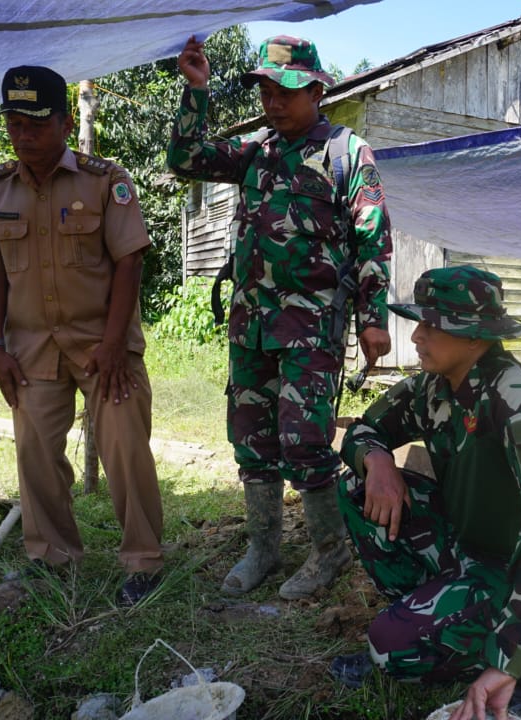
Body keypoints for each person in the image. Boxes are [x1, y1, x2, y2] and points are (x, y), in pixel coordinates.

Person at [167, 34, 393, 600]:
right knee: (252, 439)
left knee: (304, 440)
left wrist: (373, 317)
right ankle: (263, 548)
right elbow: (185, 158)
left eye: (285, 91)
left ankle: (329, 550)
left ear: (317, 90)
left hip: (311, 330)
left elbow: (372, 239)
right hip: (250, 325)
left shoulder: (346, 153)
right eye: (266, 91)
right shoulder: (256, 151)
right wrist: (197, 91)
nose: (273, 102)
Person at [329, 266, 521, 719]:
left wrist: (509, 655)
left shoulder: (518, 401)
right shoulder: (434, 386)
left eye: (433, 326)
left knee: (390, 648)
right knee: (357, 486)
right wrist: (377, 462)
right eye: (420, 322)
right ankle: (437, 615)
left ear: (475, 337)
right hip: (468, 544)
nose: (417, 336)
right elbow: (364, 430)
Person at [0, 65, 165, 606]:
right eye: (14, 124)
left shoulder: (105, 180)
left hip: (104, 347)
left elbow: (129, 262)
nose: (23, 135)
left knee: (125, 450)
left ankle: (143, 560)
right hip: (30, 350)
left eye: (36, 124)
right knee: (35, 454)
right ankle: (53, 557)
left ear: (66, 124)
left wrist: (115, 344)